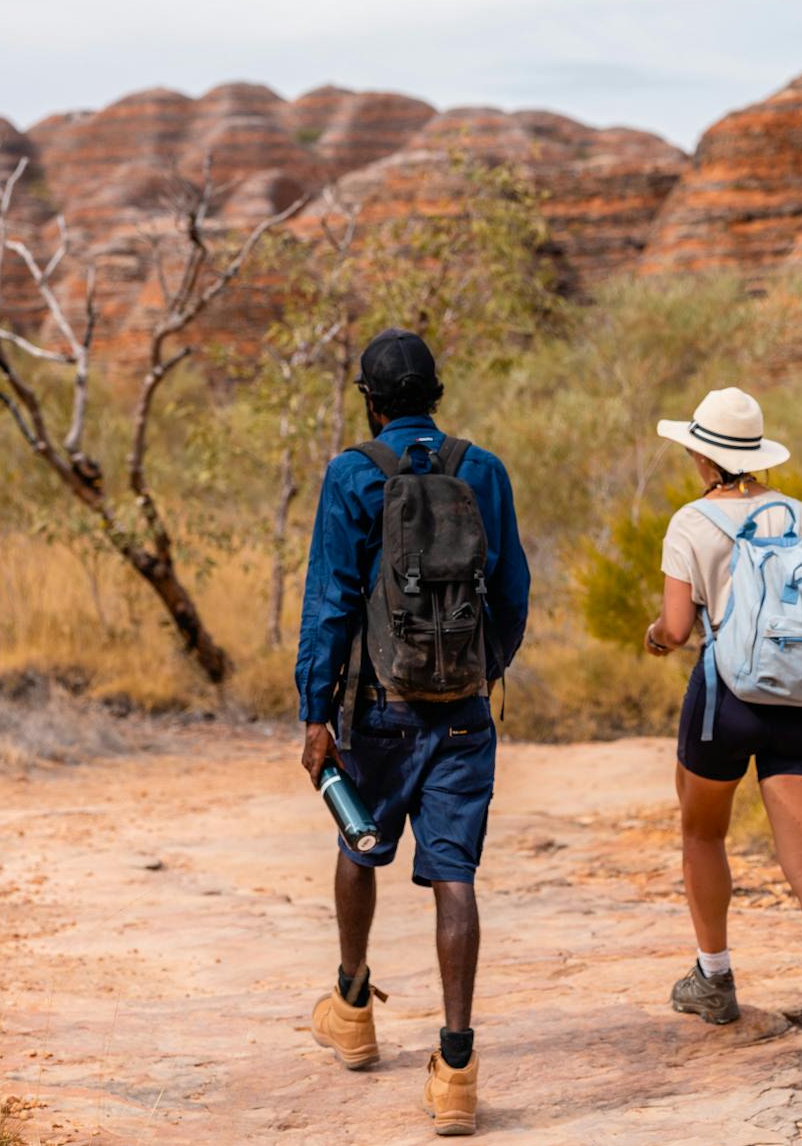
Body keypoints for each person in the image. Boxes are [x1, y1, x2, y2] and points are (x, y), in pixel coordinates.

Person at [296, 328, 529, 1138]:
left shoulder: (353, 475)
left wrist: (315, 713)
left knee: (357, 845)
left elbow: (329, 601)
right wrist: (477, 674)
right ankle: (457, 1071)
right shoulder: (484, 470)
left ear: (370, 399)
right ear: (437, 392)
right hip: (463, 715)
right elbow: (514, 593)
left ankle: (353, 1008)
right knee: (454, 876)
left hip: (376, 712)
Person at [642, 387, 802, 1096]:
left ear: (699, 453)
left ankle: (714, 979)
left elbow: (678, 629)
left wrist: (655, 638)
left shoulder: (692, 521)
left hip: (727, 700)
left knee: (703, 833)